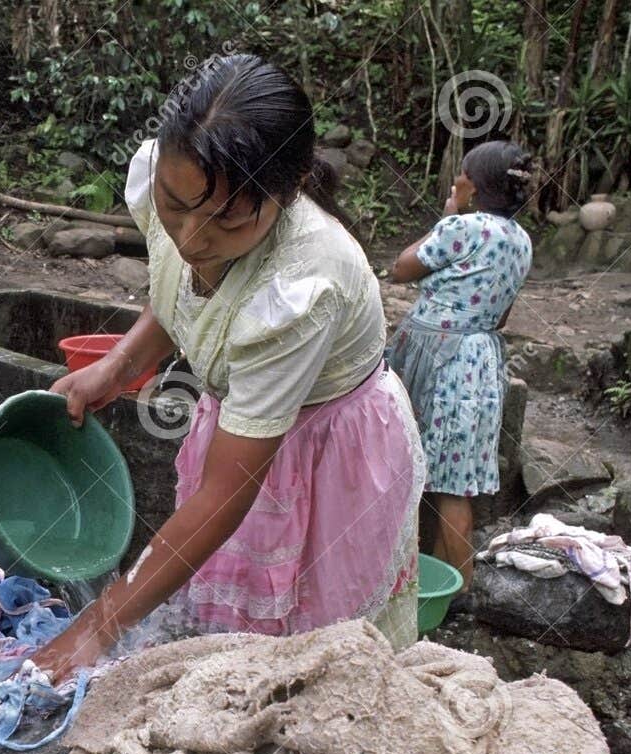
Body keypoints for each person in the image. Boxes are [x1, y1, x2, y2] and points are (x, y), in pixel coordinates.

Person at [34, 53, 425, 680]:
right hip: (247, 430)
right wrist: (118, 365)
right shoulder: (171, 172)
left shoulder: (300, 292)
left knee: (316, 660)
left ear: (284, 194)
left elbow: (223, 495)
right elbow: (180, 290)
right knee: (235, 631)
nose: (189, 236)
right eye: (175, 205)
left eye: (227, 221)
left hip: (330, 450)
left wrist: (94, 630)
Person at [386, 141, 533, 585]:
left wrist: (449, 214)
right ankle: (437, 582)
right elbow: (502, 314)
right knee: (454, 475)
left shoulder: (462, 228)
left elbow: (400, 268)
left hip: (437, 356)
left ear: (475, 184)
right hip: (480, 359)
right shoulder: (522, 241)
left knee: (433, 481)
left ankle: (462, 591)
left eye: (463, 173)